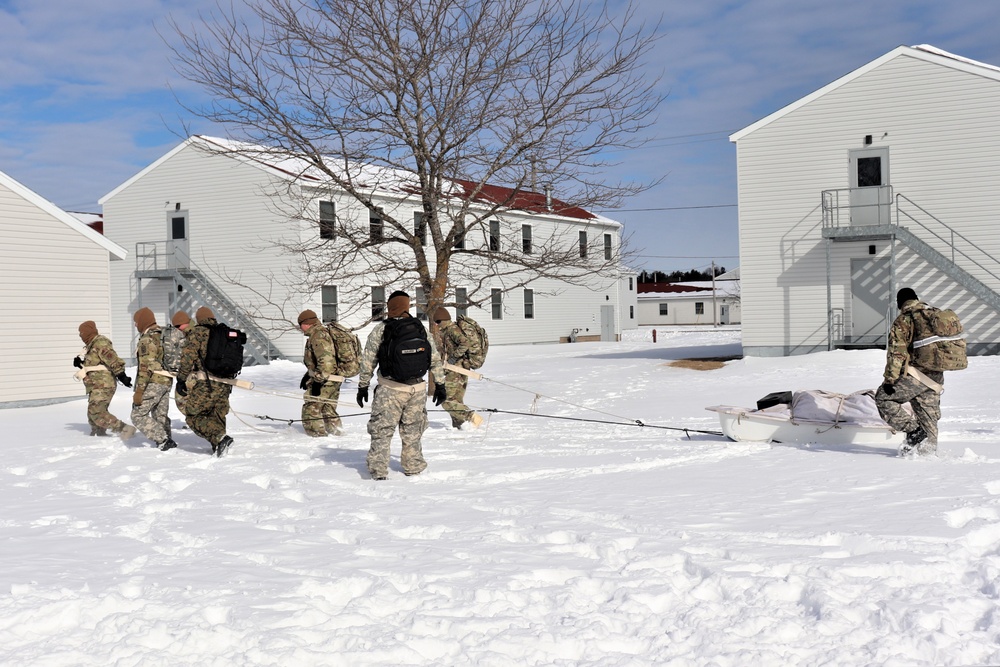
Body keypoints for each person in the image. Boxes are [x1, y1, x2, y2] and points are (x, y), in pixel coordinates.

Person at [356, 291, 446, 480]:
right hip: (417, 390)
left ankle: (378, 471)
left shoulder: (382, 329)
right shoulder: (420, 328)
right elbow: (435, 359)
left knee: (382, 430)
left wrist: (363, 386)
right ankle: (413, 466)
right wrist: (440, 384)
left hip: (390, 389)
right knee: (413, 431)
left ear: (390, 307)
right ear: (407, 306)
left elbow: (368, 360)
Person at [875, 287, 943, 457]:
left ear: (900, 303)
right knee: (928, 417)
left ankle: (913, 432)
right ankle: (928, 455)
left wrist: (890, 380)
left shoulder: (904, 320)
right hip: (936, 377)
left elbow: (896, 353)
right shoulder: (934, 315)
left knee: (883, 398)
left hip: (914, 375)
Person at [176, 306, 234, 457]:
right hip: (227, 383)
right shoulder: (225, 332)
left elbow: (188, 358)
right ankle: (219, 447)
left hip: (208, 383)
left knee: (193, 415)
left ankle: (221, 439)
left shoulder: (198, 333)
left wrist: (181, 380)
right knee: (217, 414)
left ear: (199, 319)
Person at [74, 320, 136, 440]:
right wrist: (80, 364)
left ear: (87, 332)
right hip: (95, 384)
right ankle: (98, 434)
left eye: (81, 332)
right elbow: (95, 365)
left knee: (96, 411)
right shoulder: (91, 345)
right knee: (92, 412)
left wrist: (121, 375)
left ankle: (125, 429)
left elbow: (112, 359)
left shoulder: (100, 342)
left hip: (104, 384)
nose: (80, 335)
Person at [130, 307, 176, 451]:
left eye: (136, 322)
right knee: (160, 414)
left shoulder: (147, 339)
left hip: (153, 382)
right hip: (166, 381)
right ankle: (166, 440)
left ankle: (162, 439)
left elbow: (146, 367)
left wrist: (139, 391)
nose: (135, 325)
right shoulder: (162, 335)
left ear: (143, 321)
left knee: (137, 415)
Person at [432, 307, 483, 429]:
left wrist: (453, 358)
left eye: (437, 322)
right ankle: (460, 426)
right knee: (456, 400)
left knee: (447, 401)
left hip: (457, 370)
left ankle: (472, 417)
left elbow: (465, 343)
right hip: (459, 369)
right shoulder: (448, 330)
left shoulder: (452, 330)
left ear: (442, 320)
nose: (436, 325)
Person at [298, 309, 344, 437]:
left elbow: (327, 363)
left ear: (306, 323)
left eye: (300, 324)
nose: (300, 328)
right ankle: (337, 433)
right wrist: (309, 374)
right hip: (334, 378)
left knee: (311, 407)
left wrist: (318, 381)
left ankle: (316, 436)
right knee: (327, 408)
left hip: (326, 379)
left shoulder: (318, 336)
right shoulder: (322, 333)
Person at [165, 310, 192, 418]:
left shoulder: (187, 334)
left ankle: (196, 420)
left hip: (190, 374)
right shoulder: (196, 331)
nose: (177, 329)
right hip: (195, 373)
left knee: (181, 400)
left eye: (178, 326)